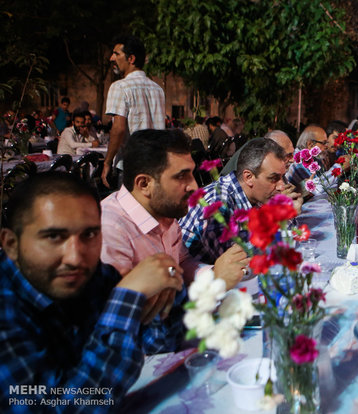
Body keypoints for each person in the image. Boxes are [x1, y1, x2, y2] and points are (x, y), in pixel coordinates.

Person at [0, 172, 184, 410]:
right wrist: (126, 298)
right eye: (54, 236)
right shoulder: (6, 309)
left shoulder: (95, 275)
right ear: (12, 245)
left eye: (89, 234)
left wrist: (164, 293)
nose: (75, 257)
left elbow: (153, 346)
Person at [101, 128, 248, 293]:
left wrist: (215, 273)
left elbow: (183, 262)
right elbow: (120, 308)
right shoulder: (109, 231)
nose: (194, 186)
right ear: (144, 184)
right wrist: (216, 281)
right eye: (181, 176)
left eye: (192, 174)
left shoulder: (164, 211)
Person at [180, 137, 288, 264]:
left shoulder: (254, 195)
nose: (282, 186)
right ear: (248, 177)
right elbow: (233, 263)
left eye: (282, 177)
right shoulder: (218, 201)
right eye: (274, 178)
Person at [102, 34, 166, 188]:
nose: (112, 58)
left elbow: (119, 129)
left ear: (131, 59)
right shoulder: (157, 89)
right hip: (155, 165)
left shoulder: (120, 87)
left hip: (131, 166)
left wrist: (107, 162)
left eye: (117, 54)